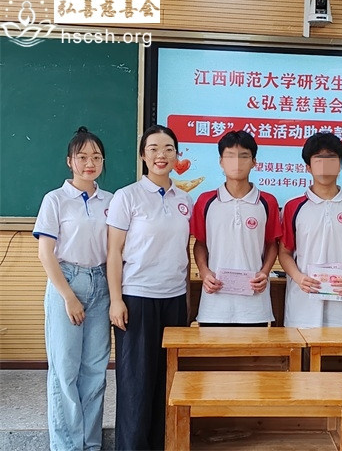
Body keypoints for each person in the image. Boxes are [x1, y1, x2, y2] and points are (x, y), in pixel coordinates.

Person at [106, 125, 193, 450]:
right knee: (136, 384)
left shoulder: (185, 199)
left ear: (176, 155)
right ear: (143, 155)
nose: (161, 155)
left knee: (166, 382)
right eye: (154, 148)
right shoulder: (127, 196)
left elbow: (184, 252)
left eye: (168, 149)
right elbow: (113, 252)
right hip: (137, 298)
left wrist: (187, 300)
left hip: (174, 300)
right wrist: (116, 300)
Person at [33, 126, 112, 451]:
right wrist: (68, 297)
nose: (89, 163)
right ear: (70, 161)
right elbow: (45, 253)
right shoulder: (56, 199)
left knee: (95, 371)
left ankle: (90, 444)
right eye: (82, 157)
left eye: (96, 157)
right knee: (65, 370)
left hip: (101, 283)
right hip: (67, 281)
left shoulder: (111, 201)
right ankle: (67, 446)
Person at [279, 132, 342, 328]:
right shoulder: (292, 207)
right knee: (301, 349)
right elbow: (285, 252)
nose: (325, 166)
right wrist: (299, 278)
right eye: (318, 160)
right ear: (308, 166)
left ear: (340, 165)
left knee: (341, 349)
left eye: (331, 159)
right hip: (302, 308)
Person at [190, 130, 282, 326]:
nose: (237, 162)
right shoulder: (206, 201)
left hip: (254, 306)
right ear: (221, 162)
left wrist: (265, 272)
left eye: (244, 156)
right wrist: (205, 272)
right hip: (214, 305)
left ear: (254, 162)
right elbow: (200, 243)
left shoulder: (268, 202)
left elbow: (271, 244)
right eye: (230, 156)